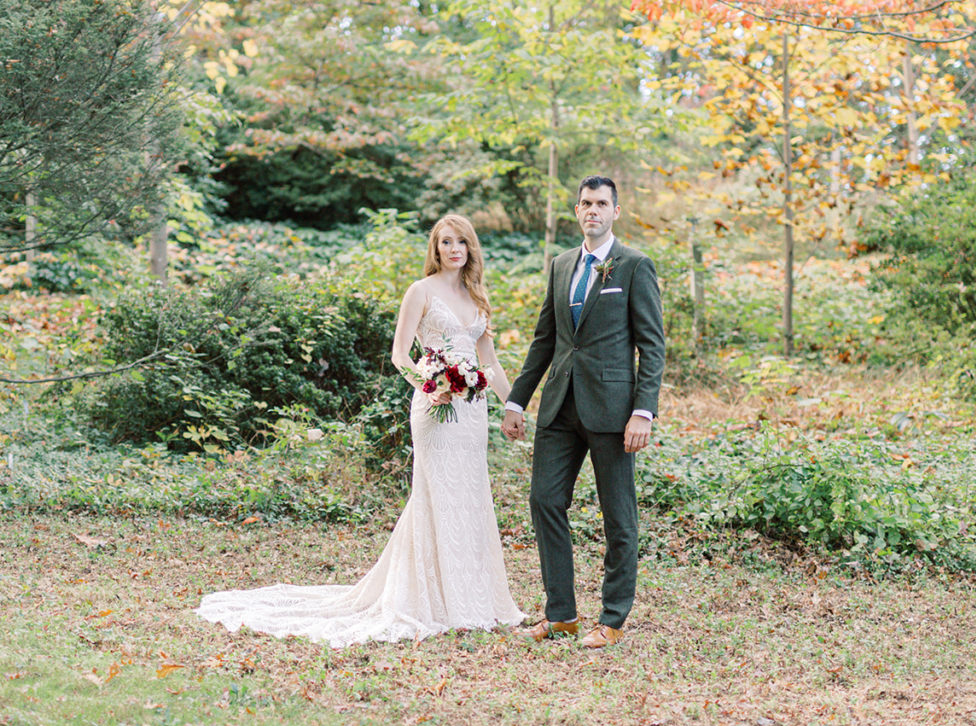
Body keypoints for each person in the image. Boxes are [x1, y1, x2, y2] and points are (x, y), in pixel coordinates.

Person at [196, 215, 525, 647]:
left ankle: (468, 598)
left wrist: (514, 404)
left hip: (472, 413)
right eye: (446, 241)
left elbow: (491, 363)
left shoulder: (478, 298)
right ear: (436, 247)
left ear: (471, 248)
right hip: (435, 407)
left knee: (469, 495)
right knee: (436, 495)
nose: (454, 249)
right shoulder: (420, 292)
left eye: (462, 241)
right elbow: (400, 354)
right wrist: (433, 385)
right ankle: (427, 599)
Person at [502, 176, 665, 649]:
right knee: (544, 501)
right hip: (559, 407)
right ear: (577, 211)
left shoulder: (634, 266)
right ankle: (562, 616)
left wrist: (644, 412)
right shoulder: (560, 265)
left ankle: (612, 619)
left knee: (619, 517)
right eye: (585, 203)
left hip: (614, 413)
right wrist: (517, 400)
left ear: (616, 211)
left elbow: (651, 346)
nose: (592, 210)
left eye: (601, 203)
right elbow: (545, 340)